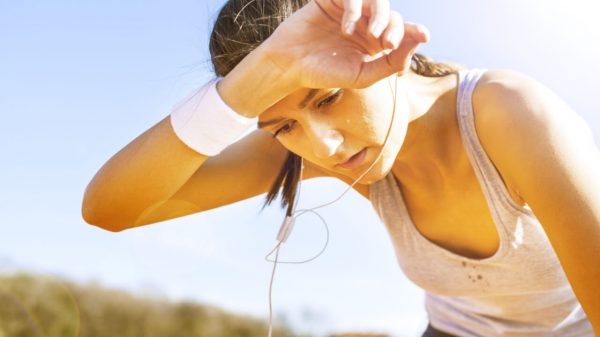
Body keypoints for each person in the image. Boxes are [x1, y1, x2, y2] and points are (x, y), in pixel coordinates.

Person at [81, 0, 600, 336]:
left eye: (328, 99)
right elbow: (111, 209)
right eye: (282, 126)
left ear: (383, 48)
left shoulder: (510, 115)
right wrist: (239, 94)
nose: (323, 146)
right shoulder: (309, 145)